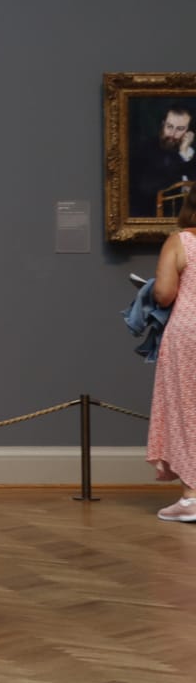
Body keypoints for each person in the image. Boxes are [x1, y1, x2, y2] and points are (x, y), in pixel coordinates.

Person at [148, 189, 196, 522]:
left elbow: (164, 294)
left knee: (186, 409)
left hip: (189, 335)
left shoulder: (181, 242)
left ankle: (192, 496)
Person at [132, 105, 196, 218]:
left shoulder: (190, 152)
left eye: (180, 129)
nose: (172, 133)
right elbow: (148, 187)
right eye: (169, 126)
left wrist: (184, 153)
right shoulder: (148, 148)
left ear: (189, 132)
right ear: (163, 125)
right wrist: (182, 156)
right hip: (154, 215)